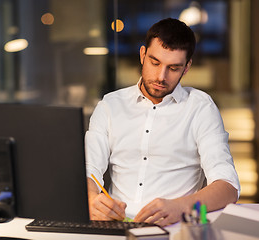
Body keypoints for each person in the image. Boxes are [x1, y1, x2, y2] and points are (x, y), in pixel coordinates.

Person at [85, 18, 240, 227]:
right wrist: (91, 199)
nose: (161, 76)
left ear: (186, 68)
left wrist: (180, 207)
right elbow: (87, 170)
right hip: (116, 226)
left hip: (174, 228)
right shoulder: (110, 105)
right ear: (142, 55)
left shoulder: (200, 108)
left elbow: (228, 187)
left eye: (174, 68)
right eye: (155, 62)